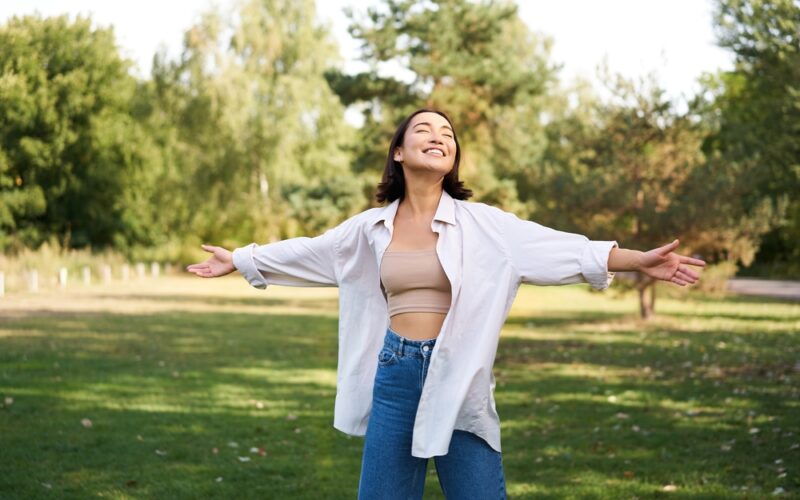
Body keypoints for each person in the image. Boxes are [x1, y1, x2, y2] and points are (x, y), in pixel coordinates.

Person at [187, 108, 706, 499]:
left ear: (453, 157)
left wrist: (638, 260)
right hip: (394, 373)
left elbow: (561, 247)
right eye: (424, 130)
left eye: (448, 135)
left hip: (460, 376)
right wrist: (240, 257)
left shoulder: (486, 226)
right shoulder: (369, 229)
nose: (439, 137)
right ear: (398, 153)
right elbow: (311, 251)